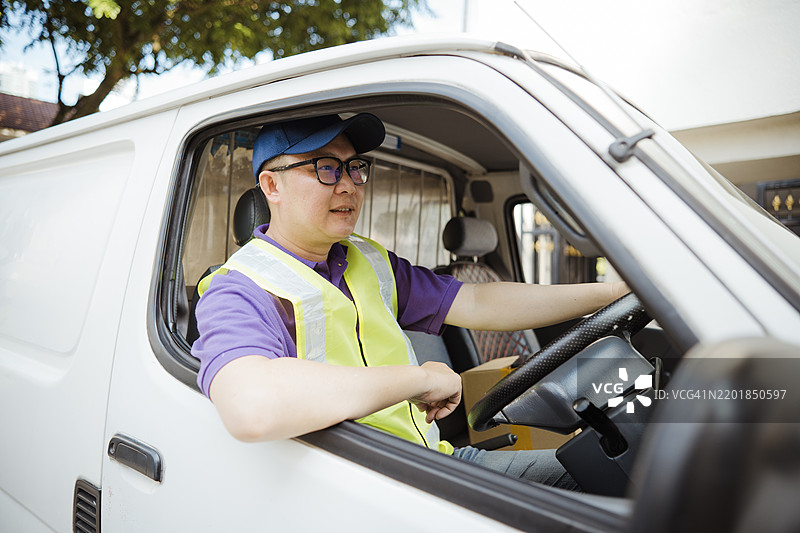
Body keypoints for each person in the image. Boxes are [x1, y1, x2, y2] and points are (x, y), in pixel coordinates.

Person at [191, 113, 629, 490]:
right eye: (326, 168)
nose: (348, 185)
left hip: (430, 459)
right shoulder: (240, 288)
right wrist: (418, 379)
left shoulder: (366, 258)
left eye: (355, 167)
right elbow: (249, 406)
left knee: (611, 470)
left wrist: (613, 293)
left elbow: (476, 302)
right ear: (272, 185)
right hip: (363, 484)